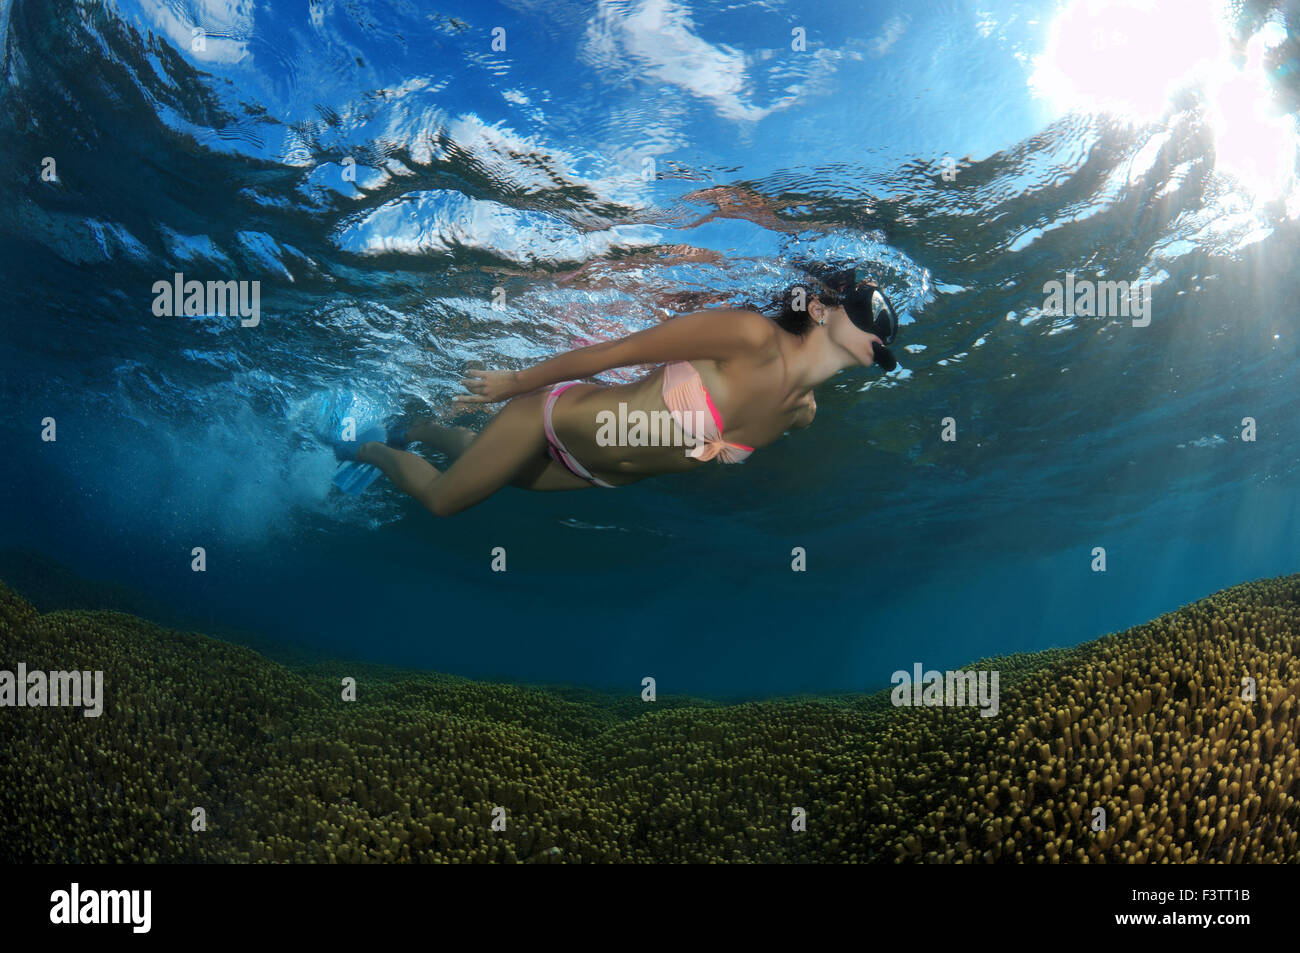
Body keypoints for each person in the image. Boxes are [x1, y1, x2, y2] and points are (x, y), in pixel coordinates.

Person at [337, 268, 900, 516]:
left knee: (478, 460)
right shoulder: (751, 336)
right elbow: (613, 354)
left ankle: (420, 428)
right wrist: (513, 382)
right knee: (442, 501)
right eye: (871, 311)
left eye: (886, 330)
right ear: (822, 308)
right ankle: (369, 449)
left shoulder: (801, 415)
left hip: (589, 476)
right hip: (550, 419)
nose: (881, 329)